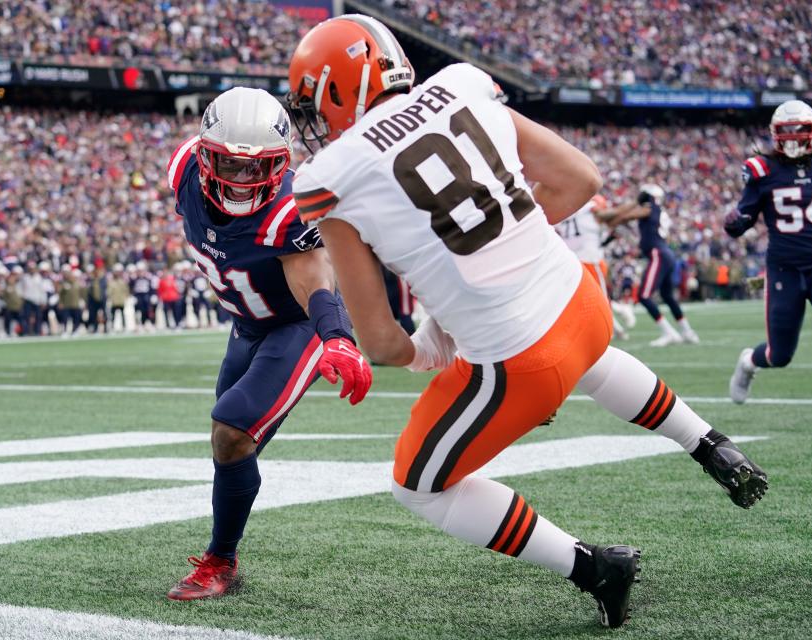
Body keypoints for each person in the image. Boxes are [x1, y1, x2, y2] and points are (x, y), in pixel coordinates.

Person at [287, 14, 767, 628]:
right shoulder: (460, 85)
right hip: (584, 307)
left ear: (336, 89)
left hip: (521, 363)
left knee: (417, 485)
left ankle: (594, 568)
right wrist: (501, 251)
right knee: (587, 360)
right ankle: (711, 446)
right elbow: (581, 180)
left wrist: (429, 347)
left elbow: (380, 340)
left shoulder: (331, 176)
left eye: (312, 104)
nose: (312, 121)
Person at [165, 87, 371, 600]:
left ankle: (220, 563)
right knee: (230, 445)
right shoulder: (181, 171)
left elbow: (313, 280)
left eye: (257, 169)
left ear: (281, 164)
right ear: (202, 154)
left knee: (232, 429)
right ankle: (227, 545)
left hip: (295, 326)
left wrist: (337, 339)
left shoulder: (290, 209)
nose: (241, 180)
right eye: (229, 165)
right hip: (246, 326)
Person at [726, 100, 812, 426]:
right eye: (786, 134)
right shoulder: (763, 170)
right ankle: (749, 361)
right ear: (775, 135)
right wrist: (736, 222)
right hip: (783, 269)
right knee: (779, 355)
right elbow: (746, 214)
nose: (793, 140)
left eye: (799, 133)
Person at [602, 185, 699, 346]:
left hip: (658, 254)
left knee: (644, 296)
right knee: (667, 296)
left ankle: (669, 332)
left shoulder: (650, 208)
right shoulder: (660, 211)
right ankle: (687, 331)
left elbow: (626, 217)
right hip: (665, 254)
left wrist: (615, 217)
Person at [555, 195, 636, 339]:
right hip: (590, 260)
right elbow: (610, 216)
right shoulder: (589, 209)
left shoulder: (563, 211)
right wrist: (634, 205)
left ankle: (615, 329)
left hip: (574, 261)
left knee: (592, 299)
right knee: (598, 299)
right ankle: (618, 314)